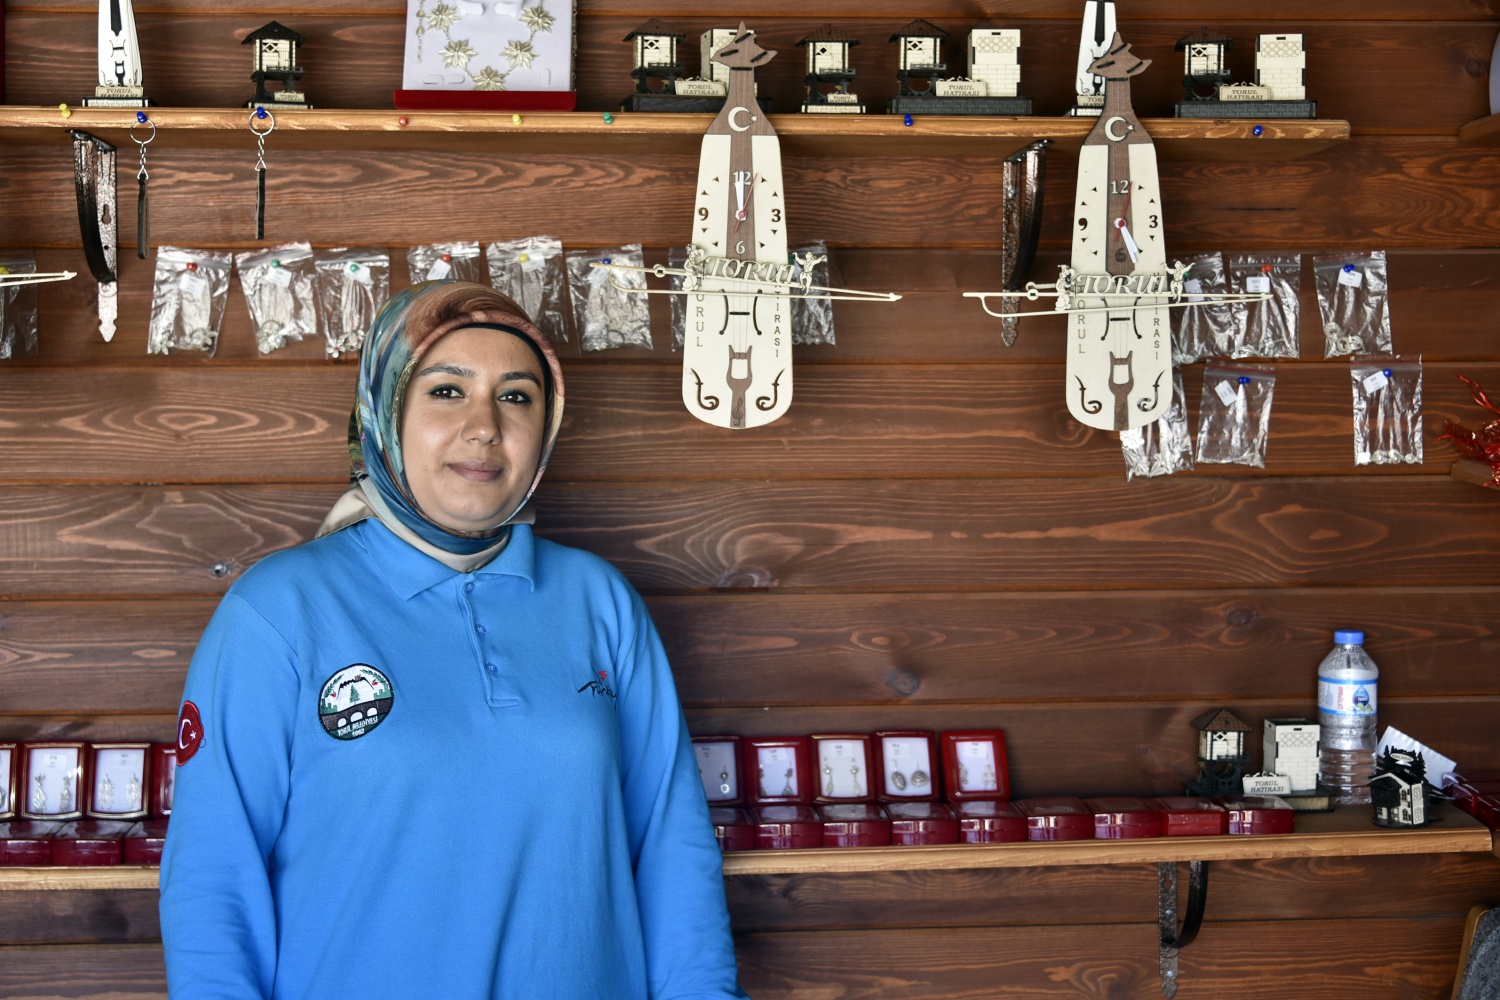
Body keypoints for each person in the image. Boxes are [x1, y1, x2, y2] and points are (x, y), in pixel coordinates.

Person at [160, 282, 747, 1000]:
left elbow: (670, 849)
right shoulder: (278, 610)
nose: (483, 428)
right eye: (446, 391)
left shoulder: (599, 601)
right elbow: (215, 878)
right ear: (385, 409)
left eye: (517, 396)